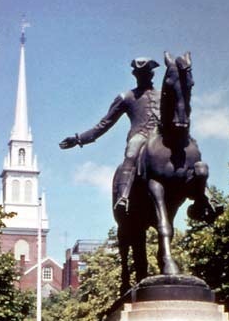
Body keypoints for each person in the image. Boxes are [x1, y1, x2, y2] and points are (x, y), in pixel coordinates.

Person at [59, 57, 161, 213]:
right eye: (140, 73)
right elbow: (104, 124)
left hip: (161, 136)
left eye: (147, 72)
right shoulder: (126, 97)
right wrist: (79, 138)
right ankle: (123, 196)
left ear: (152, 74)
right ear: (135, 75)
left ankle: (204, 194)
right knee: (132, 152)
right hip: (141, 135)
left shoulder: (164, 96)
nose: (144, 76)